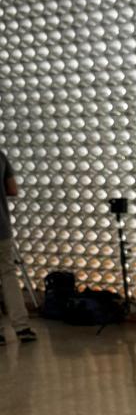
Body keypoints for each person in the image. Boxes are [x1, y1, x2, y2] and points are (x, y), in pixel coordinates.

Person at [0, 148, 36, 345]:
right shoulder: (1, 156)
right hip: (2, 228)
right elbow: (13, 190)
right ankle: (22, 327)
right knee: (8, 276)